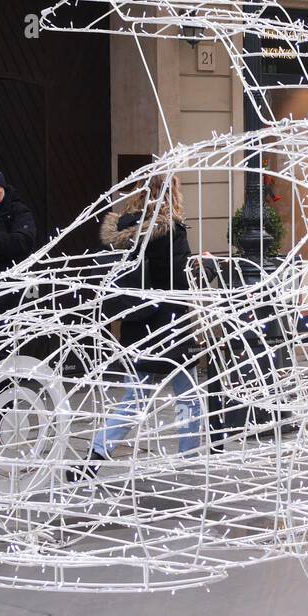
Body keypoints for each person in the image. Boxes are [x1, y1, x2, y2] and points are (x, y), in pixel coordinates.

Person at [83, 174, 202, 469]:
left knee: (135, 399)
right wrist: (200, 265)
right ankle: (189, 456)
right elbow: (179, 279)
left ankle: (98, 451)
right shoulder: (170, 230)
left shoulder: (124, 229)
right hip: (170, 325)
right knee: (188, 396)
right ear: (172, 193)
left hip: (137, 324)